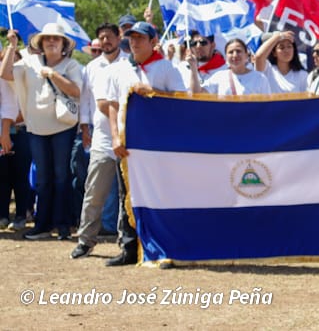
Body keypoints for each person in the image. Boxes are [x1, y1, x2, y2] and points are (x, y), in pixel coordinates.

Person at [104, 22, 185, 266]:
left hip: (159, 144)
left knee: (161, 194)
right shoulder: (120, 70)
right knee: (127, 196)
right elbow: (112, 105)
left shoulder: (167, 68)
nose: (135, 42)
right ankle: (129, 249)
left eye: (141, 38)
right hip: (128, 143)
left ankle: (164, 248)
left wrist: (154, 91)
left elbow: (182, 101)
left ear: (153, 41)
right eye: (132, 38)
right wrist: (116, 137)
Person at [0, 23, 83, 240]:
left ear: (64, 44)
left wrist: (53, 75)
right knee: (43, 180)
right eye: (47, 39)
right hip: (36, 128)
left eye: (56, 39)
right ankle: (42, 225)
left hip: (63, 127)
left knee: (62, 176)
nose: (52, 42)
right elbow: (5, 73)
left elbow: (76, 90)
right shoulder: (29, 62)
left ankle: (63, 225)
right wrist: (12, 46)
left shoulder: (72, 65)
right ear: (41, 44)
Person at [70, 23, 131, 259]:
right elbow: (85, 101)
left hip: (128, 138)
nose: (106, 41)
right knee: (94, 190)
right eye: (102, 37)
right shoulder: (92, 67)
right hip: (102, 138)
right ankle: (86, 240)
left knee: (126, 195)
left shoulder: (128, 64)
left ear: (119, 38)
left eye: (109, 37)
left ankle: (125, 243)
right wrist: (85, 127)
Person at [0, 47, 28, 231]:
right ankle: (2, 215)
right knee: (2, 176)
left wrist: (10, 123)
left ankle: (20, 216)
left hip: (22, 132)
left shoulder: (26, 80)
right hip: (3, 132)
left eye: (15, 60)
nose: (11, 65)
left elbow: (27, 109)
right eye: (7, 61)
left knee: (20, 176)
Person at [190, 39, 270, 96]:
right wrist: (193, 67)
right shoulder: (220, 76)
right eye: (231, 52)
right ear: (226, 57)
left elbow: (267, 106)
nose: (235, 55)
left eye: (238, 51)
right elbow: (198, 93)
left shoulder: (259, 78)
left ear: (246, 55)